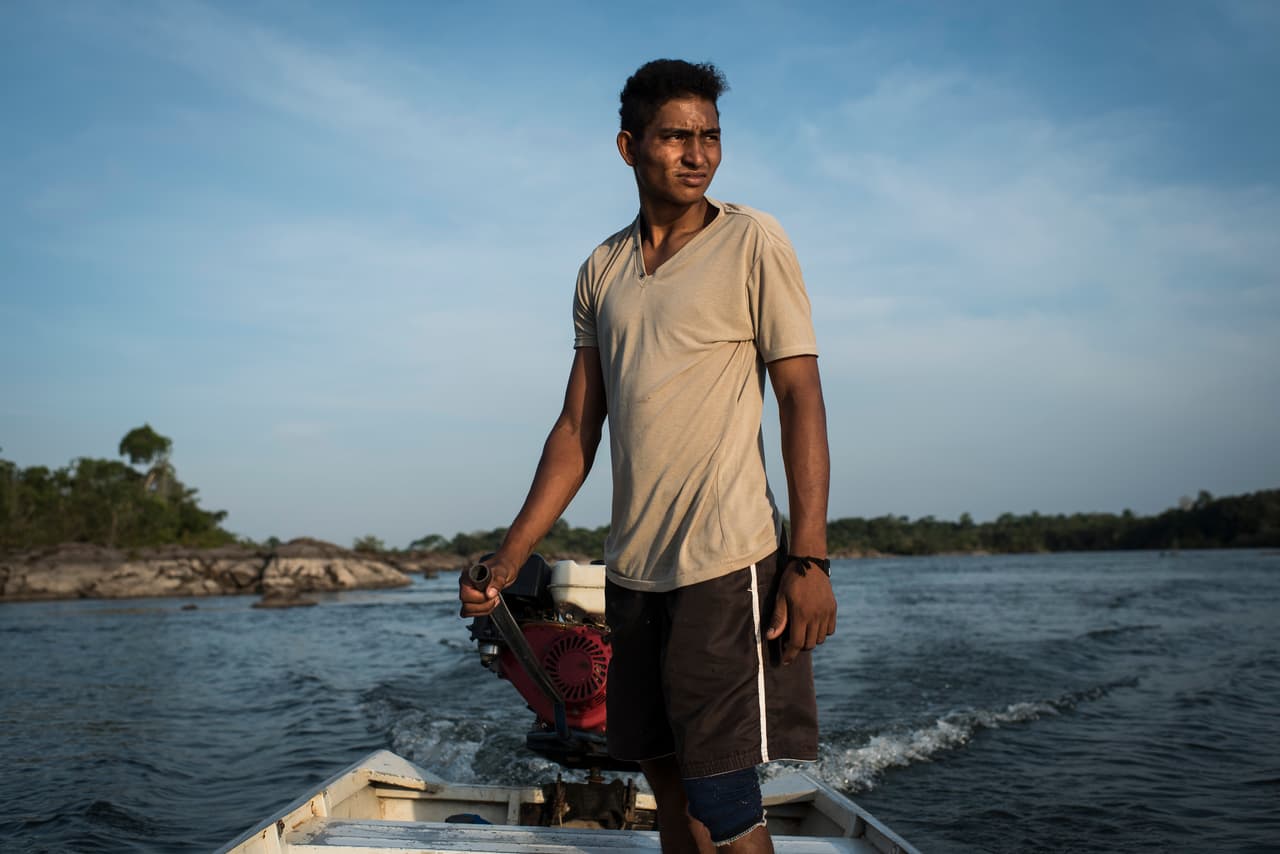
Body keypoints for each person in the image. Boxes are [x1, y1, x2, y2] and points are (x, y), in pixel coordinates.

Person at [459, 58, 836, 853]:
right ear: (629, 147)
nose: (698, 154)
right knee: (666, 784)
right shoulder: (602, 269)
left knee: (724, 795)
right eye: (676, 137)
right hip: (634, 570)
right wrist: (508, 556)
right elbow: (575, 429)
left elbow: (801, 395)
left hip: (726, 562)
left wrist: (809, 560)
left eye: (710, 137)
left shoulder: (751, 241)